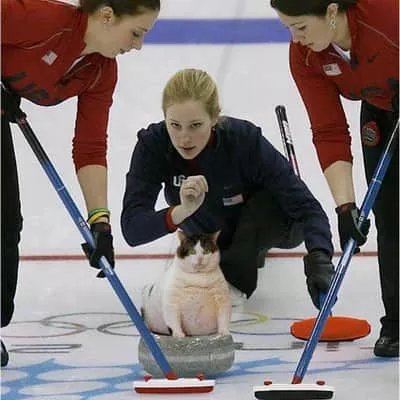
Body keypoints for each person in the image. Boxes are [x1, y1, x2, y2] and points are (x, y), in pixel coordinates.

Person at [1, 0, 160, 367]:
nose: (138, 46)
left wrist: (99, 221)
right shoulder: (45, 21)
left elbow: (90, 148)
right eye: (136, 33)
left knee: (6, 222)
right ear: (106, 15)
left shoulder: (101, 70)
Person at [121, 67, 336, 319]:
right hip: (211, 231)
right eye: (175, 125)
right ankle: (234, 261)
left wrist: (319, 257)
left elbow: (307, 207)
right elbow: (132, 228)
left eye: (195, 125)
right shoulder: (153, 145)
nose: (184, 138)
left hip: (276, 223)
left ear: (214, 118)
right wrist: (181, 211)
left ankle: (232, 281)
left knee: (266, 203)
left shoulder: (244, 141)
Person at [270, 0, 399, 357]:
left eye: (301, 27)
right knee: (390, 215)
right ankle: (397, 322)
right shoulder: (305, 55)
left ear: (330, 12)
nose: (296, 39)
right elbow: (328, 130)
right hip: (382, 109)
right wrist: (346, 207)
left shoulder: (388, 17)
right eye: (289, 29)